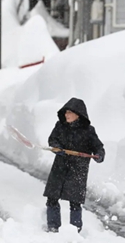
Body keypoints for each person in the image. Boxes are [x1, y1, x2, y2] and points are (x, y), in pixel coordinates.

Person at [43, 98, 105, 232]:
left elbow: (98, 147)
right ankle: (53, 227)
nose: (67, 115)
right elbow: (52, 139)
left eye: (70, 112)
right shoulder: (60, 126)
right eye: (66, 112)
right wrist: (57, 147)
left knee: (75, 202)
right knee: (52, 197)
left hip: (78, 169)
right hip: (60, 167)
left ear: (78, 113)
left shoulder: (88, 131)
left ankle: (75, 230)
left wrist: (99, 155)